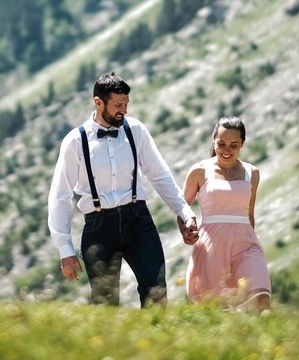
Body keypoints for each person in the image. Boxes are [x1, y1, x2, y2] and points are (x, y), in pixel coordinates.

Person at [48, 73, 199, 306]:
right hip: (98, 227)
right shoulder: (75, 141)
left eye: (126, 104)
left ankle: (156, 331)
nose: (124, 111)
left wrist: (185, 212)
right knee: (106, 302)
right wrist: (65, 249)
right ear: (98, 103)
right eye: (118, 105)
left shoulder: (136, 130)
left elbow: (159, 175)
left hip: (138, 220)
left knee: (156, 289)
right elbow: (60, 195)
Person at [183, 116, 271, 311]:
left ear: (242, 144)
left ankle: (272, 331)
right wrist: (186, 228)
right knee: (220, 310)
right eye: (221, 144)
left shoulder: (252, 173)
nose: (226, 150)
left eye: (234, 145)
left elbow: (249, 214)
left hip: (246, 245)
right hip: (212, 247)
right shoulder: (199, 171)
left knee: (261, 297)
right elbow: (182, 208)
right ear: (214, 140)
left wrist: (250, 237)